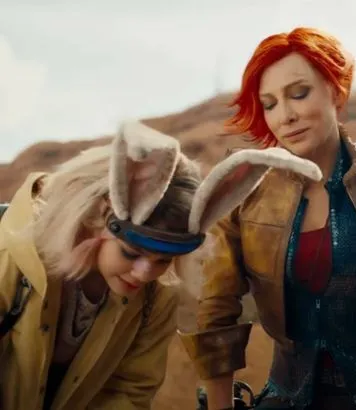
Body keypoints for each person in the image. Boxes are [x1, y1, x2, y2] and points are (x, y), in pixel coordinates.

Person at [179, 27, 356, 410]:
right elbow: (216, 312)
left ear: (335, 90)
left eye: (299, 93)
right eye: (270, 104)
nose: (286, 115)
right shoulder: (245, 189)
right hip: (288, 396)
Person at [0, 120, 322, 410]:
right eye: (130, 253)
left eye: (163, 261)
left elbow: (130, 390)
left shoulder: (155, 301)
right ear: (96, 217)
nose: (145, 273)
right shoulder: (9, 259)